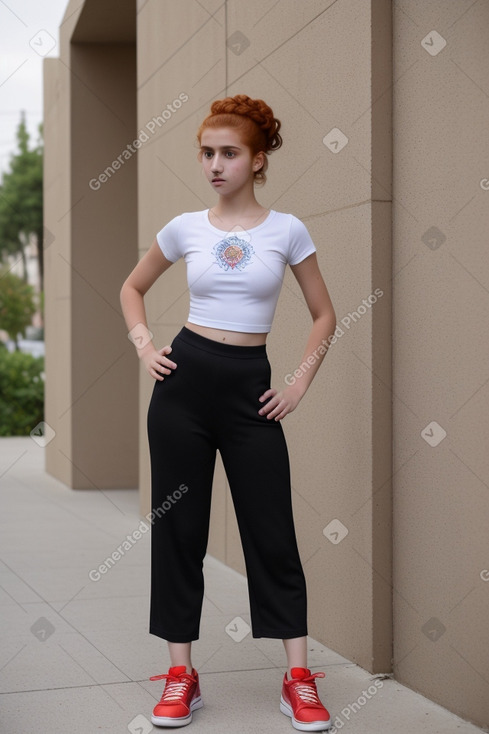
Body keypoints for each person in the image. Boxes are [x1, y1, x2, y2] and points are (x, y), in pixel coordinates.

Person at [120, 94, 337, 731]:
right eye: (208, 153)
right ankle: (181, 675)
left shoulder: (287, 230)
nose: (215, 164)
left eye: (229, 153)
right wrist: (144, 346)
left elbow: (325, 314)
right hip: (183, 389)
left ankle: (298, 677)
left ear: (257, 159)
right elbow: (132, 288)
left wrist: (297, 385)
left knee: (272, 531)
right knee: (179, 531)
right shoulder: (185, 227)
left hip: (251, 391)